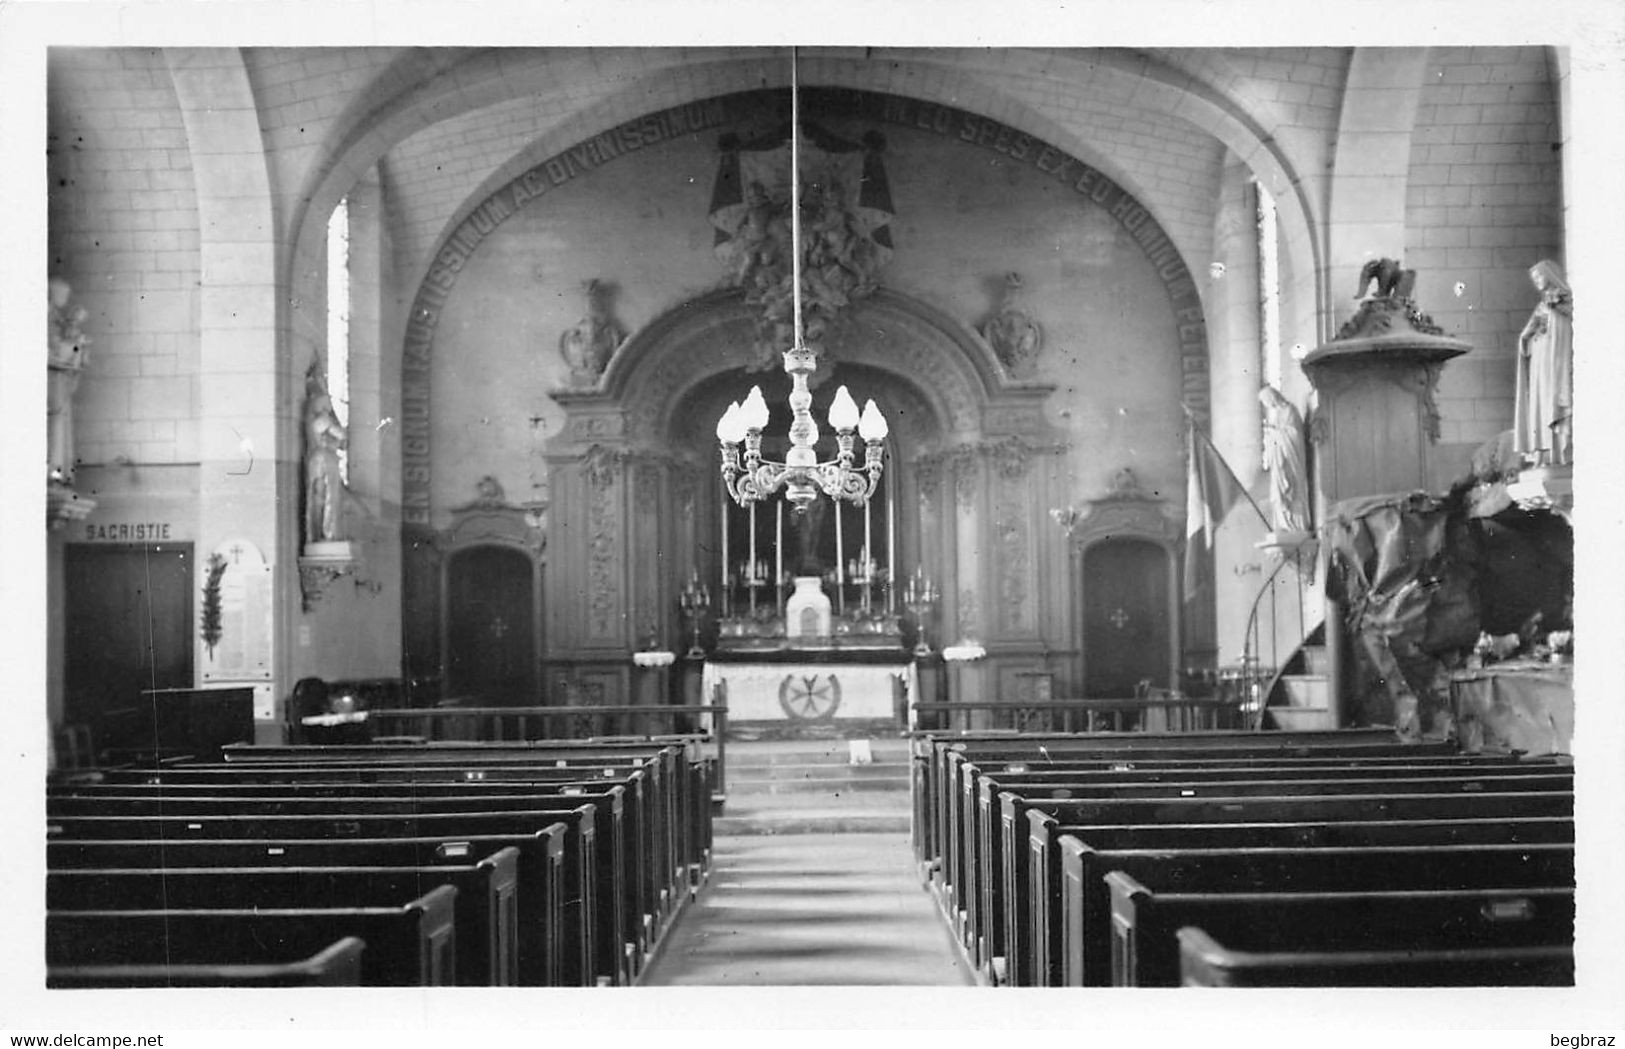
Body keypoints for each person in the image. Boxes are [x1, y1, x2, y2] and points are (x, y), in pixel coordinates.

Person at [1513, 259, 1573, 466]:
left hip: (1555, 361)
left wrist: (1554, 309)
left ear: (1549, 275)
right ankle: (1542, 452)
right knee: (1540, 404)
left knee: (1553, 402)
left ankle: (1559, 452)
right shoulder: (1543, 305)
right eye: (1534, 278)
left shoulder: (1563, 300)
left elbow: (1565, 322)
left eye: (1539, 276)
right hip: (1539, 362)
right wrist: (1525, 340)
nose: (1537, 281)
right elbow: (1529, 331)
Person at [47, 277, 90, 485]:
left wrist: (77, 345)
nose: (65, 298)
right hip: (54, 378)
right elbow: (54, 349)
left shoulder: (56, 316)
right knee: (56, 425)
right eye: (63, 294)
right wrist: (76, 346)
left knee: (60, 424)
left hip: (60, 378)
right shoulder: (49, 316)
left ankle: (60, 471)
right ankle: (54, 472)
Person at [304, 367, 348, 544]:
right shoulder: (322, 420)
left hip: (321, 459)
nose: (329, 406)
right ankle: (328, 533)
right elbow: (342, 436)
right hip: (323, 460)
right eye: (327, 403)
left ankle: (325, 532)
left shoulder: (316, 420)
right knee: (328, 496)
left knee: (325, 496)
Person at [1258, 386, 1310, 535]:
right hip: (1278, 463)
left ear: (1272, 398)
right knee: (1278, 493)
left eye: (1266, 401)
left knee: (1290, 491)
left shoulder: (1290, 410)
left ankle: (1295, 526)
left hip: (1290, 461)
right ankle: (1285, 524)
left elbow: (1294, 435)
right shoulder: (1278, 414)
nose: (1266, 405)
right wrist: (1272, 433)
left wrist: (1275, 432)